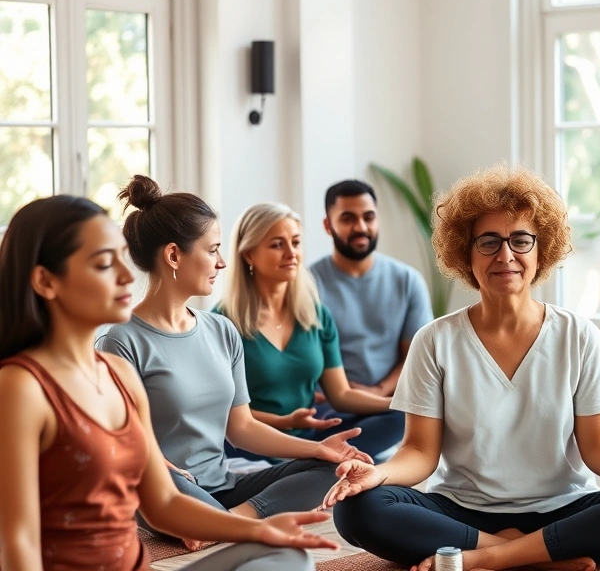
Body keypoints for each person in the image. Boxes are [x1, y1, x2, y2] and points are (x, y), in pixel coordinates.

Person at [322, 164, 600, 571]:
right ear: (466, 252)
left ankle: (493, 558)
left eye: (520, 240)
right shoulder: (435, 340)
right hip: (460, 512)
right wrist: (379, 474)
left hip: (563, 509)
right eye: (488, 242)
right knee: (357, 508)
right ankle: (540, 558)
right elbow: (419, 452)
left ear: (541, 249)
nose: (505, 255)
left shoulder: (579, 335)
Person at [0, 195, 338, 570]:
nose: (128, 276)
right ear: (46, 281)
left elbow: (164, 502)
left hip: (152, 545)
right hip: (162, 502)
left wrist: (259, 531)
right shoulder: (22, 387)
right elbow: (18, 538)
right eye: (103, 264)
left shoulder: (119, 375)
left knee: (290, 556)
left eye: (121, 259)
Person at [94, 176, 371, 546]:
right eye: (212, 250)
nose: (223, 262)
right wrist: (162, 470)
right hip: (166, 490)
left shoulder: (221, 331)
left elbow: (241, 428)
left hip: (222, 486)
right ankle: (208, 521)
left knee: (329, 468)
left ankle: (225, 522)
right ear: (174, 255)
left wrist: (318, 448)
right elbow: (122, 444)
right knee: (152, 471)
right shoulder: (120, 340)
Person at [215, 203, 396, 462]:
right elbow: (223, 414)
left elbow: (341, 395)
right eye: (277, 245)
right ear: (248, 255)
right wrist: (283, 422)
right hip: (252, 443)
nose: (292, 253)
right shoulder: (221, 322)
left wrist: (401, 403)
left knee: (400, 416)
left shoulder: (316, 315)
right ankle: (322, 462)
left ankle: (322, 459)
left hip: (310, 436)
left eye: (296, 243)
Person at [308, 180, 433, 453]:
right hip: (327, 408)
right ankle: (330, 455)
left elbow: (414, 358)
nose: (361, 227)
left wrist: (378, 390)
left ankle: (330, 456)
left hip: (385, 406)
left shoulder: (407, 280)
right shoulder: (307, 284)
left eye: (369, 217)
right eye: (348, 218)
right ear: (328, 226)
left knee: (408, 413)